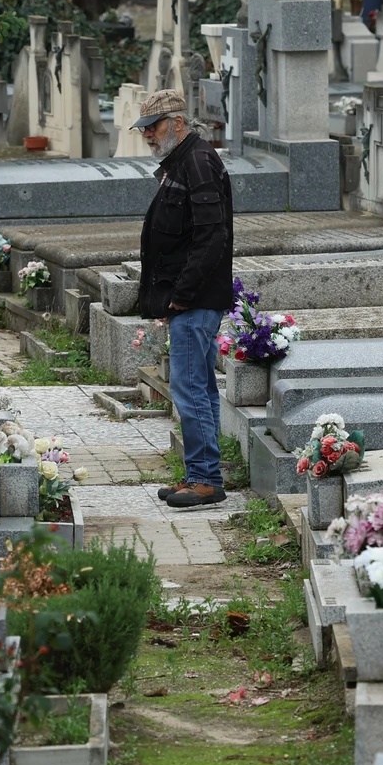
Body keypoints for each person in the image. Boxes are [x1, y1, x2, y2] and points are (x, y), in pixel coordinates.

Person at [132, 89, 234, 509]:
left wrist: (182, 295)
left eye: (152, 128)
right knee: (198, 389)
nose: (147, 137)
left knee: (190, 390)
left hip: (195, 300)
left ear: (176, 122)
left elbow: (212, 237)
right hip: (191, 299)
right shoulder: (183, 160)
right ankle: (200, 474)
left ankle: (206, 481)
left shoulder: (197, 161)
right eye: (144, 130)